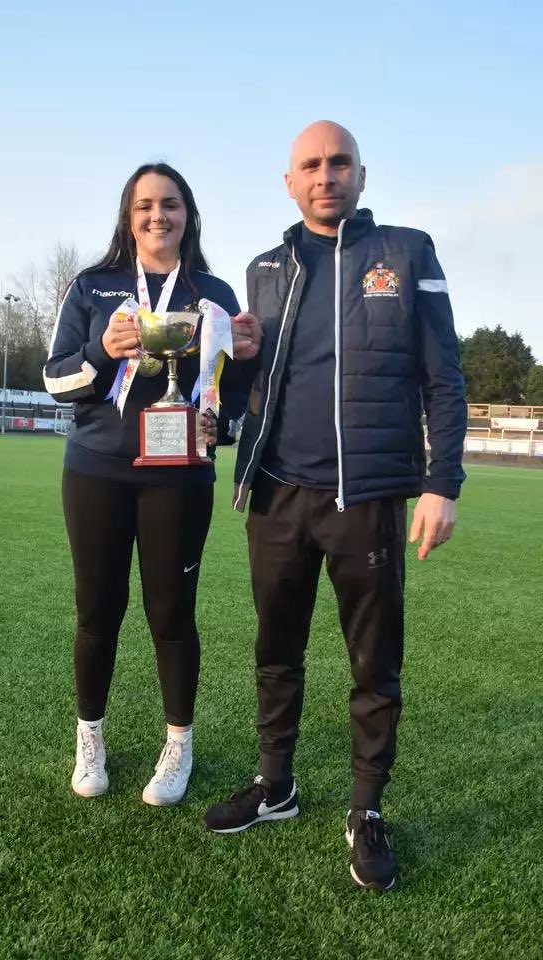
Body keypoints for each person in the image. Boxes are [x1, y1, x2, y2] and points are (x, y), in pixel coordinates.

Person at [204, 122, 467, 892]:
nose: (327, 175)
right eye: (311, 165)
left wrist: (441, 482)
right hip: (280, 494)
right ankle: (276, 785)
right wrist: (231, 373)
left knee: (373, 665)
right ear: (290, 181)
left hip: (370, 501)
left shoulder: (407, 252)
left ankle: (367, 810)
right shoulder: (263, 269)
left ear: (360, 173)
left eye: (339, 162)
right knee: (275, 652)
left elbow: (443, 377)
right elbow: (248, 388)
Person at [43, 163, 260, 806]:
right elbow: (55, 382)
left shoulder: (214, 293)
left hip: (180, 475)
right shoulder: (93, 285)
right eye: (144, 206)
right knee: (97, 611)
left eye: (169, 204)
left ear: (188, 213)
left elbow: (229, 410)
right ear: (127, 215)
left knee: (171, 614)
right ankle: (91, 738)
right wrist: (101, 352)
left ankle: (178, 744)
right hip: (96, 471)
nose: (156, 216)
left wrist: (243, 363)